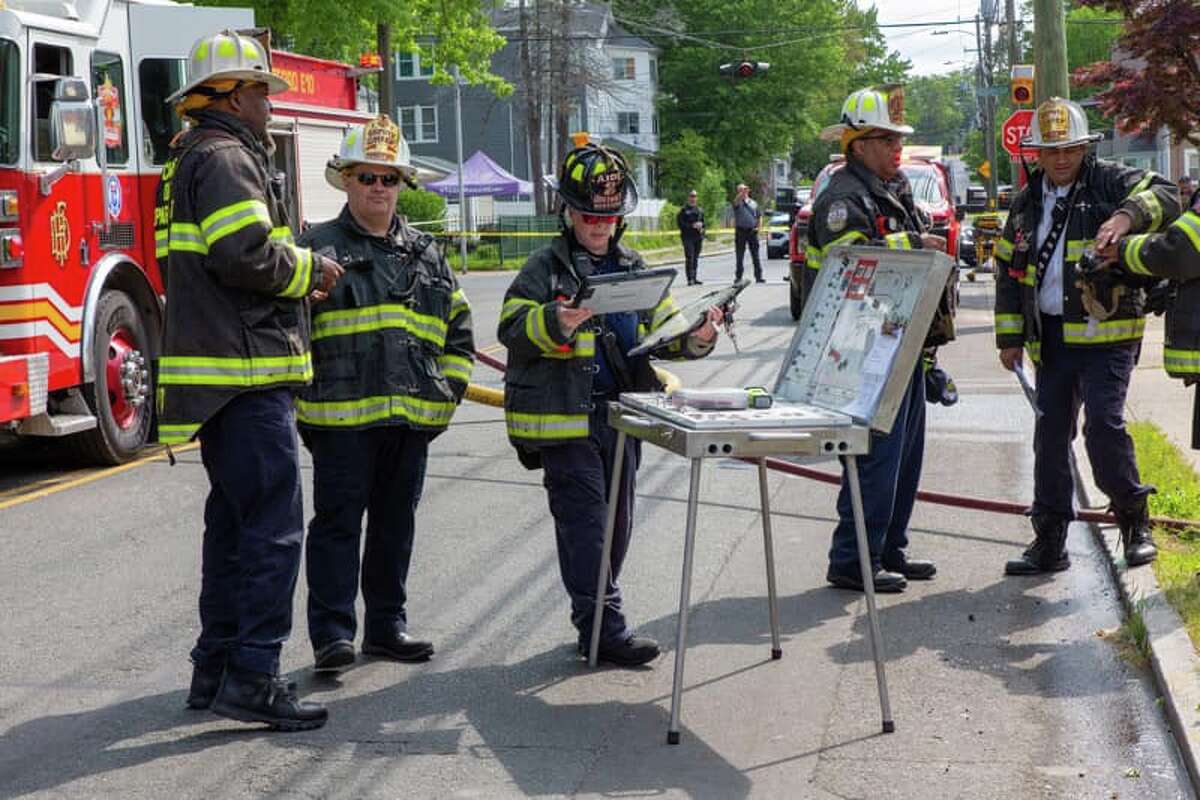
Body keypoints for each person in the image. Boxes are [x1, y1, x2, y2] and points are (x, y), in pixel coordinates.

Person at [154, 30, 343, 730]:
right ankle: (255, 678)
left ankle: (215, 670)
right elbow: (245, 256)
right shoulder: (230, 158)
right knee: (271, 532)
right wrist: (312, 271)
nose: (270, 103)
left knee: (232, 528)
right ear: (232, 93)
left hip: (219, 380)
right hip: (247, 372)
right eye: (263, 90)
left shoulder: (188, 160)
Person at [499, 142, 723, 666]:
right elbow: (509, 328)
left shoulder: (634, 267)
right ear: (568, 213)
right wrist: (556, 321)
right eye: (587, 216)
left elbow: (664, 333)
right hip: (564, 422)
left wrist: (701, 335)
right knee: (588, 527)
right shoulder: (542, 268)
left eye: (607, 217)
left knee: (617, 526)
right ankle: (605, 627)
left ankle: (594, 619)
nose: (598, 226)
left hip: (621, 419)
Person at [295, 116, 475, 672]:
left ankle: (386, 627)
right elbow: (289, 331)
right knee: (338, 526)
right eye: (367, 177)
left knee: (395, 527)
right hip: (338, 421)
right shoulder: (315, 248)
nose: (378, 188)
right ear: (345, 180)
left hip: (411, 421)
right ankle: (332, 636)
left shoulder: (427, 254)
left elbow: (459, 328)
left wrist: (448, 395)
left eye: (389, 179)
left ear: (404, 186)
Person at [993, 97, 1179, 575]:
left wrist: (1125, 217)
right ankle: (1050, 540)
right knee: (1050, 437)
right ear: (1035, 153)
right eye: (1052, 151)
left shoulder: (1111, 182)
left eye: (1070, 150)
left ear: (1085, 148)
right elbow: (1008, 273)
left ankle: (1135, 522)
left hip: (1109, 335)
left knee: (1103, 427)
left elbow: (1167, 193)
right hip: (1050, 341)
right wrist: (1009, 338)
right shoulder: (1025, 203)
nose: (1061, 160)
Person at [810, 85, 951, 593]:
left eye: (898, 139)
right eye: (886, 139)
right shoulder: (843, 198)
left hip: (904, 345)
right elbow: (849, 264)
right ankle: (853, 560)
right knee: (875, 459)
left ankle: (890, 549)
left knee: (904, 459)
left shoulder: (894, 188)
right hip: (865, 350)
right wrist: (913, 242)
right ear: (857, 143)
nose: (897, 148)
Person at [732, 183, 765, 283]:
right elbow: (735, 202)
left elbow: (759, 216)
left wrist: (758, 228)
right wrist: (740, 194)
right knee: (739, 255)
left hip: (752, 232)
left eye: (745, 190)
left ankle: (758, 276)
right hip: (741, 231)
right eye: (740, 190)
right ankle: (738, 277)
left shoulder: (753, 203)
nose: (743, 192)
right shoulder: (737, 202)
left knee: (755, 255)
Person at [677, 189, 706, 285]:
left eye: (695, 196)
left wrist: (702, 229)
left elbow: (704, 223)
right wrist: (692, 226)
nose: (693, 198)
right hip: (687, 237)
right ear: (688, 198)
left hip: (698, 237)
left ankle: (694, 277)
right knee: (690, 257)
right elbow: (680, 224)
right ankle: (690, 279)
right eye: (691, 196)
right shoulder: (683, 210)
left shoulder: (700, 210)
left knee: (696, 258)